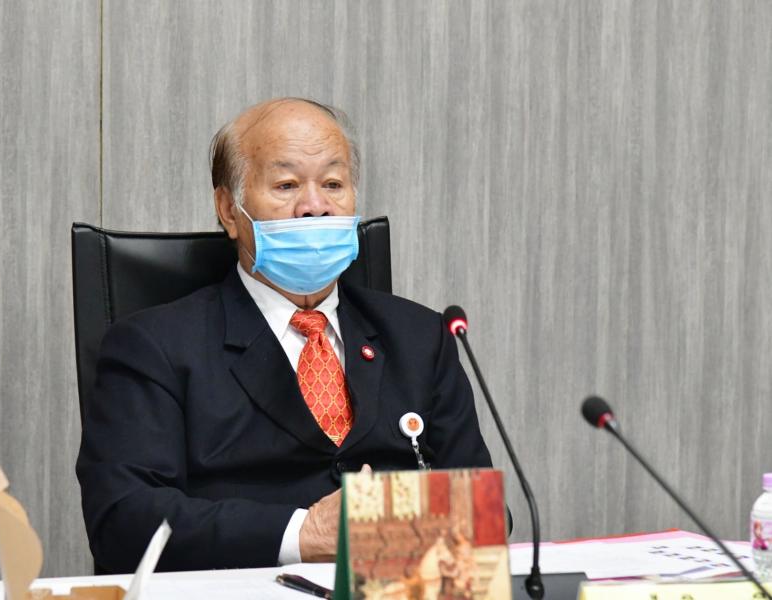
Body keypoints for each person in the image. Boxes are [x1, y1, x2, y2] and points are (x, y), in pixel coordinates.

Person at [76, 98, 493, 573]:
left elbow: (486, 514)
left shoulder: (422, 338)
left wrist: (387, 531)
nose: (315, 207)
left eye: (333, 184)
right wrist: (302, 535)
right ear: (228, 210)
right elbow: (124, 522)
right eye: (287, 185)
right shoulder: (154, 347)